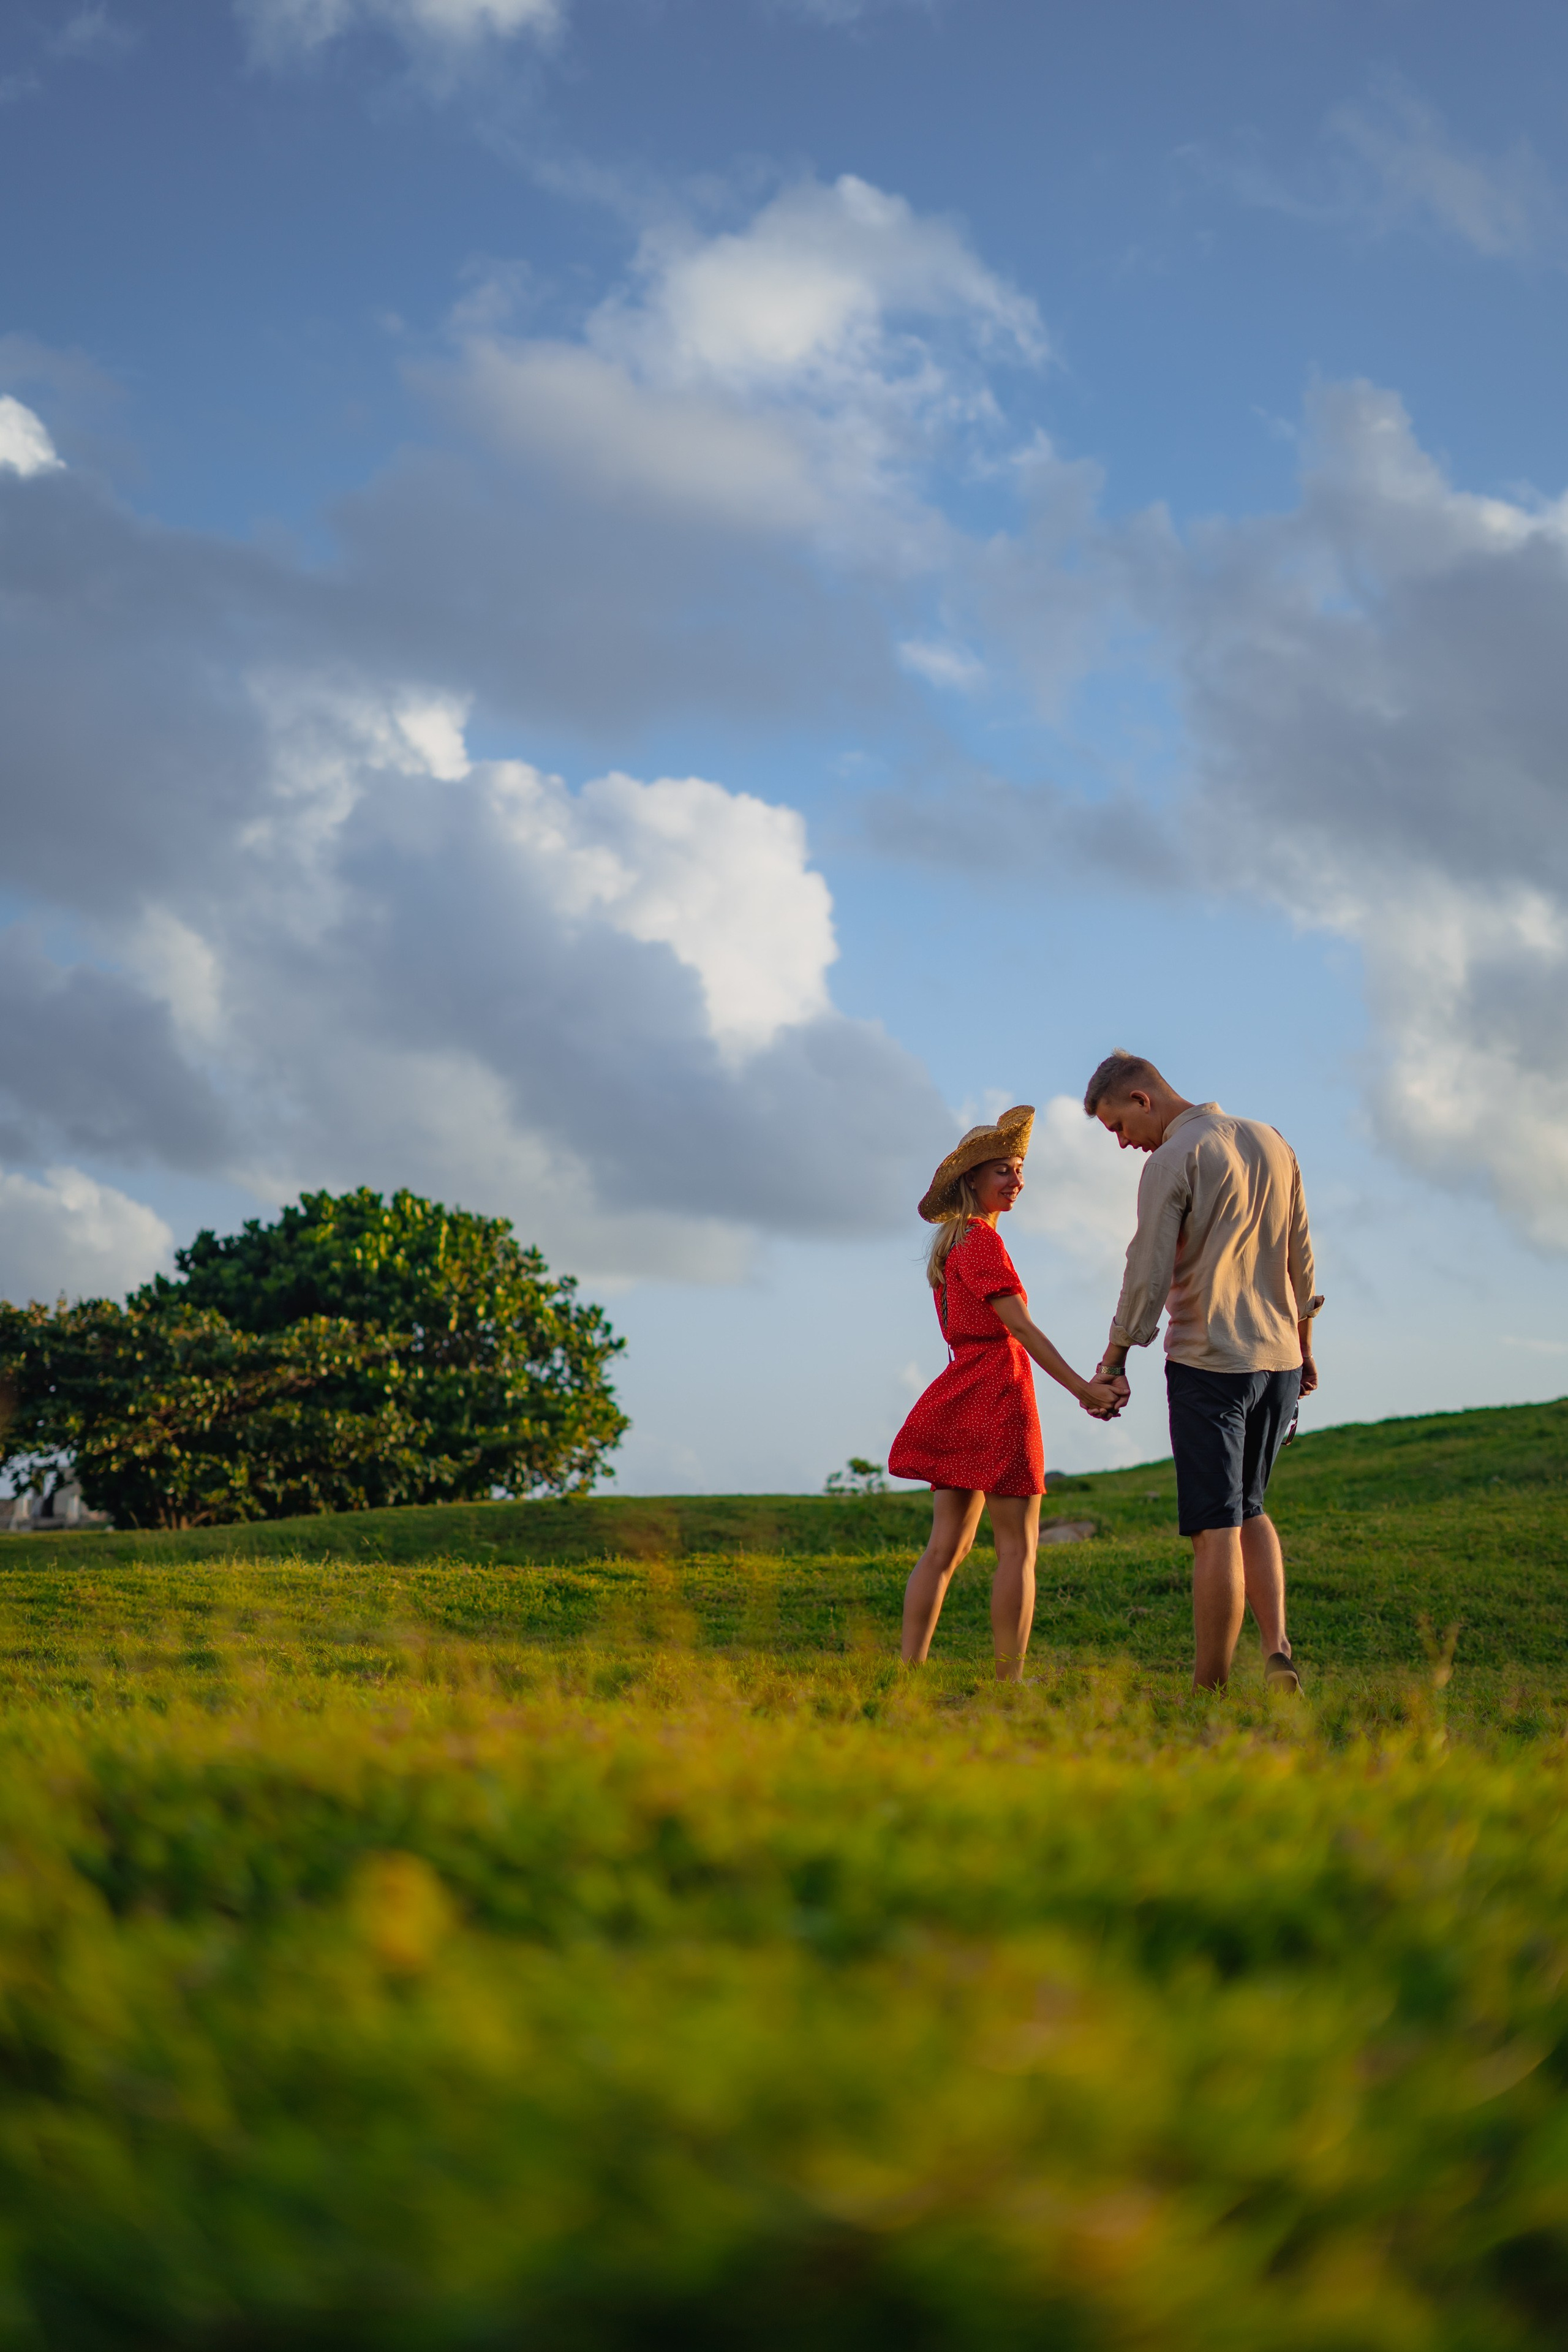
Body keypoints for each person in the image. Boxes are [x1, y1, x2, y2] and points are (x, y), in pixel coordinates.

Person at [1083, 1052, 1323, 1694]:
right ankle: (1277, 1652)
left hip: (1209, 1361)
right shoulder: (1272, 1141)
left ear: (1141, 1099)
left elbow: (1147, 1269)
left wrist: (1113, 1359)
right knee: (1251, 1508)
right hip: (1277, 1359)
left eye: (1116, 1127)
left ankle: (1208, 1689)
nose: (1122, 1143)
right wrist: (1304, 1343)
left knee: (1214, 1526)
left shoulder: (1171, 1159)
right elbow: (1301, 1252)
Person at [889, 1105, 1124, 1681]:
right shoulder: (984, 1244)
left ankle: (909, 1674)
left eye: (1019, 1170)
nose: (1017, 1182)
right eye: (1004, 1171)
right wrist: (1083, 1389)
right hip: (997, 1391)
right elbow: (1019, 1328)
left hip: (960, 1392)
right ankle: (1009, 1683)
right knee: (1018, 1549)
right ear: (973, 1179)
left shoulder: (953, 1246)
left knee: (945, 1547)